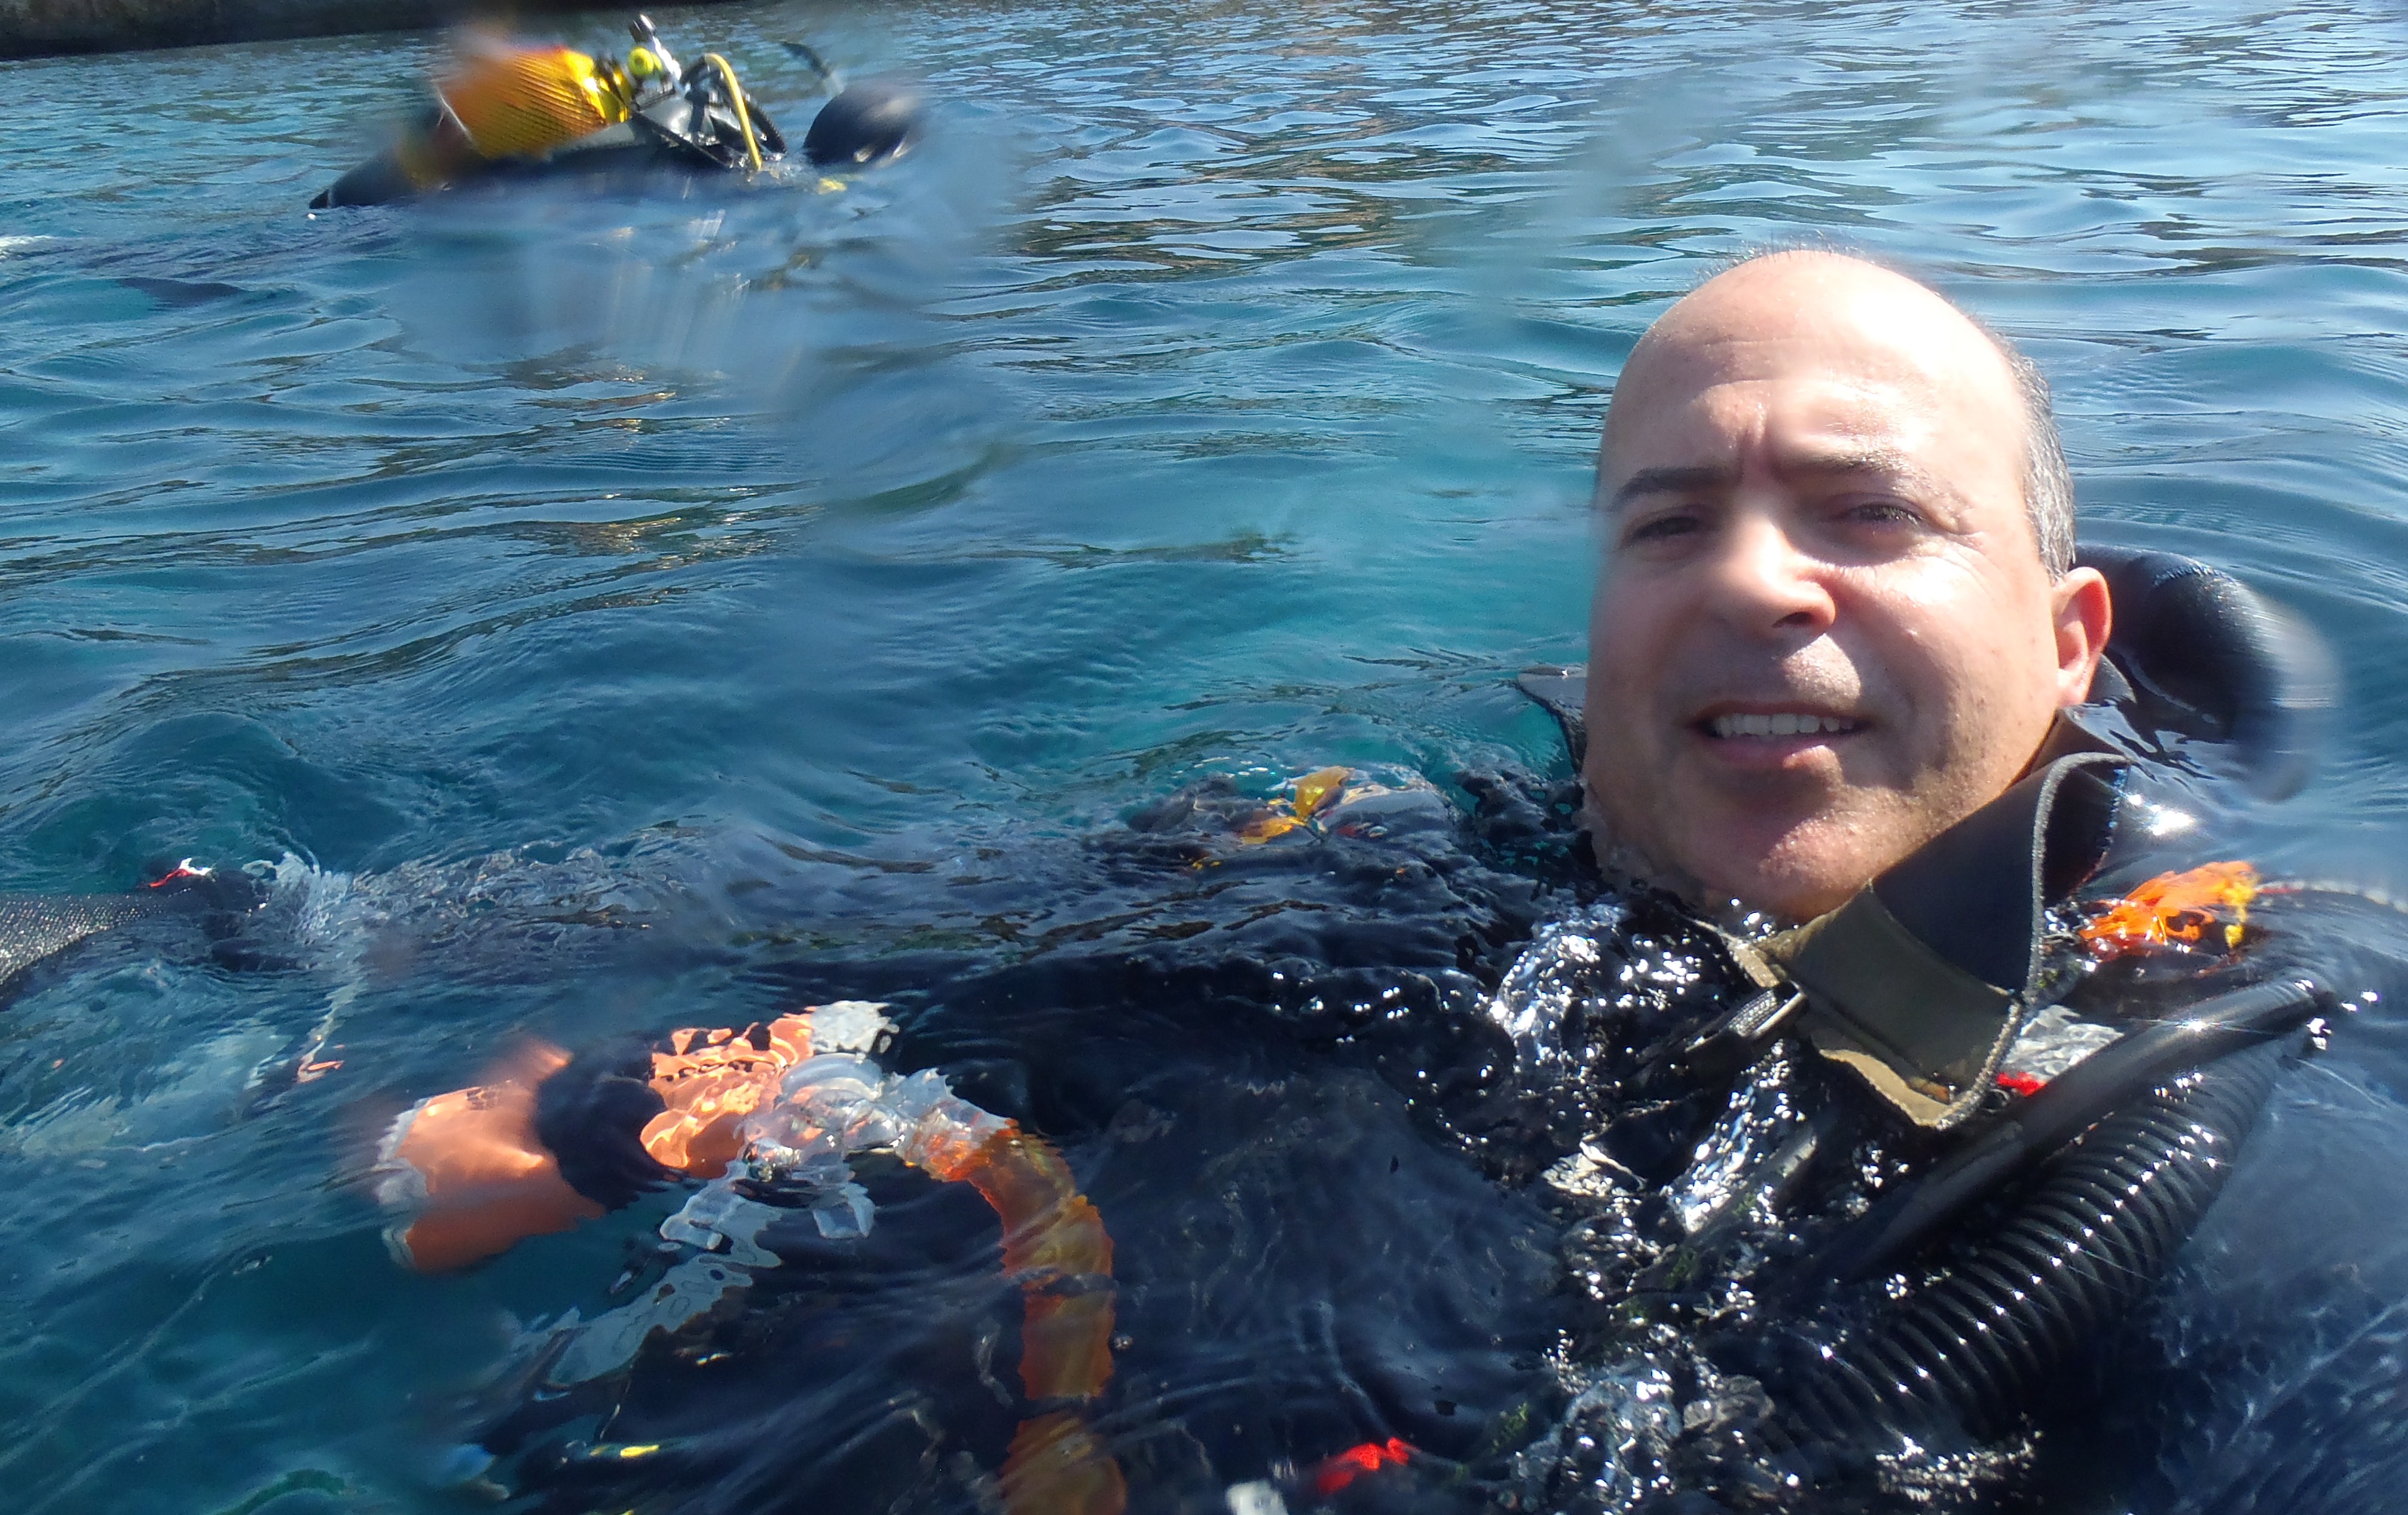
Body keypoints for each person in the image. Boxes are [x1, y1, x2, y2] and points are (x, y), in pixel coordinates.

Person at [365, 249, 2370, 1515]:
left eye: (1869, 514)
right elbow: (780, 910)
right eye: (1670, 524)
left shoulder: (2230, 1089)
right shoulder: (1345, 863)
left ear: (2070, 643)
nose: (1757, 579)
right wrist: (529, 1058)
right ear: (1598, 626)